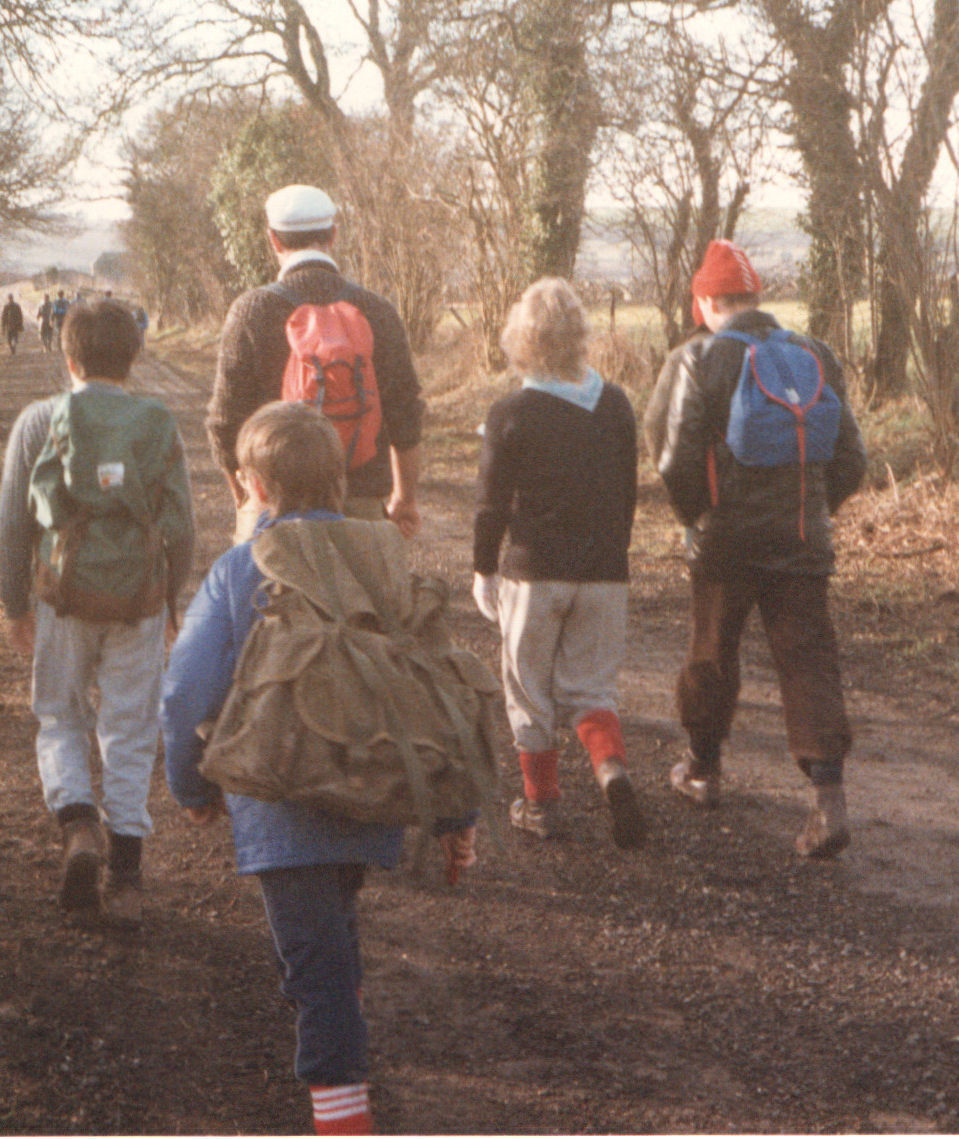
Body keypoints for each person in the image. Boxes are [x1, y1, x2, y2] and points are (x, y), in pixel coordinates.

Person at [161, 400, 477, 1137]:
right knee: (330, 941)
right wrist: (456, 812)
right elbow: (438, 690)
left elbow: (182, 694)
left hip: (279, 803)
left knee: (315, 974)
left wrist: (191, 785)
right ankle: (343, 1031)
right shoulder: (381, 559)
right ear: (340, 477)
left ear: (253, 486)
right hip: (371, 788)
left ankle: (343, 1114)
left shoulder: (239, 569)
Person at [645, 239, 867, 857]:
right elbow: (852, 458)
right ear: (754, 297)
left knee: (712, 652)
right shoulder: (814, 354)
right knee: (808, 661)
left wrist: (697, 519)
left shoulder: (697, 358)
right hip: (801, 539)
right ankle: (829, 803)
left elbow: (672, 457)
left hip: (726, 543)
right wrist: (814, 511)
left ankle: (702, 770)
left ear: (705, 302)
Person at [0, 298, 194, 928]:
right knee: (130, 728)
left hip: (63, 596)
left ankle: (78, 824)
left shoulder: (39, 420)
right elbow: (182, 525)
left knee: (60, 715)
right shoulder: (157, 423)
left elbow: (13, 524)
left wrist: (14, 602)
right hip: (138, 599)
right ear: (134, 358)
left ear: (68, 357)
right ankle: (127, 875)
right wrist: (171, 599)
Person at [472, 279, 645, 848]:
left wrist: (483, 570)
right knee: (592, 691)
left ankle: (540, 802)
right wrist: (613, 554)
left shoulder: (510, 412)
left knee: (528, 689)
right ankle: (612, 773)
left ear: (521, 338)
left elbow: (491, 505)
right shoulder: (615, 403)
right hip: (604, 571)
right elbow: (627, 493)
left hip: (534, 572)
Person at [206, 183, 425, 545]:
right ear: (333, 235)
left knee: (261, 585)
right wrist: (405, 498)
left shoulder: (251, 311)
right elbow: (406, 415)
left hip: (274, 510)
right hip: (361, 511)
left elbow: (224, 424)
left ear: (273, 240)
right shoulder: (378, 310)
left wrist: (245, 500)